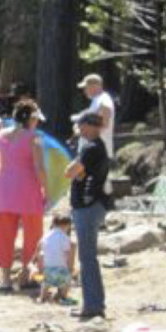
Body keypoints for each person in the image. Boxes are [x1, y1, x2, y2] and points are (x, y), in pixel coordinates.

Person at [0, 99, 48, 292]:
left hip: (4, 189)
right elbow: (39, 167)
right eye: (36, 119)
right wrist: (47, 189)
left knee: (3, 235)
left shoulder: (3, 135)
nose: (37, 123)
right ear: (31, 119)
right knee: (33, 234)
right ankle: (26, 276)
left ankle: (5, 280)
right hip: (28, 190)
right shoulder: (34, 138)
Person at [66, 112, 110, 320]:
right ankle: (93, 303)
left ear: (92, 126)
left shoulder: (91, 148)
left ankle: (93, 305)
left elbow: (70, 172)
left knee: (87, 257)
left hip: (88, 207)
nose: (79, 129)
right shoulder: (92, 147)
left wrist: (75, 161)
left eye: (82, 125)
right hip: (89, 206)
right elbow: (80, 173)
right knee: (87, 256)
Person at [32, 213, 76, 305]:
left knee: (46, 283)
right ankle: (63, 297)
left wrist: (35, 258)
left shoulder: (46, 235)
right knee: (66, 282)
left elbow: (39, 245)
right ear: (67, 225)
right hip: (61, 267)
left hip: (47, 267)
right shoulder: (64, 237)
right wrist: (70, 267)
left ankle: (42, 298)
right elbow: (69, 251)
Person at [73, 73, 116, 158]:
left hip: (96, 151)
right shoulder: (97, 100)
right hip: (91, 149)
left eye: (86, 87)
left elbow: (104, 124)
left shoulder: (104, 101)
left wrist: (81, 131)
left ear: (95, 86)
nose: (84, 90)